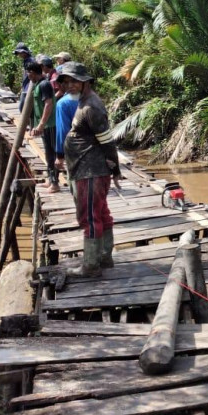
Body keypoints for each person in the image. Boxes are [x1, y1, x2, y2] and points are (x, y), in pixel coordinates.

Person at [55, 62, 120, 276]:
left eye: (75, 81)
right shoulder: (83, 102)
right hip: (85, 167)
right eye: (66, 81)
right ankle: (104, 258)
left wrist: (115, 167)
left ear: (86, 82)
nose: (70, 85)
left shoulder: (91, 107)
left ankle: (91, 265)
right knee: (100, 213)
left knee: (90, 217)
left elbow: (107, 140)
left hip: (90, 169)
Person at [25, 62, 60, 193]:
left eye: (28, 73)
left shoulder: (44, 84)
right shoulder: (38, 85)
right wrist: (34, 125)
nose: (28, 76)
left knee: (52, 154)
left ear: (32, 72)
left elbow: (48, 105)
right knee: (48, 154)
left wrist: (41, 124)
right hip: (46, 125)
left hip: (51, 124)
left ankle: (55, 183)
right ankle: (50, 180)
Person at [14, 42, 34, 111]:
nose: (19, 55)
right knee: (24, 108)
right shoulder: (26, 60)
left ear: (24, 52)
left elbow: (32, 74)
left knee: (22, 108)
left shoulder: (30, 60)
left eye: (20, 53)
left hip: (29, 86)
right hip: (26, 86)